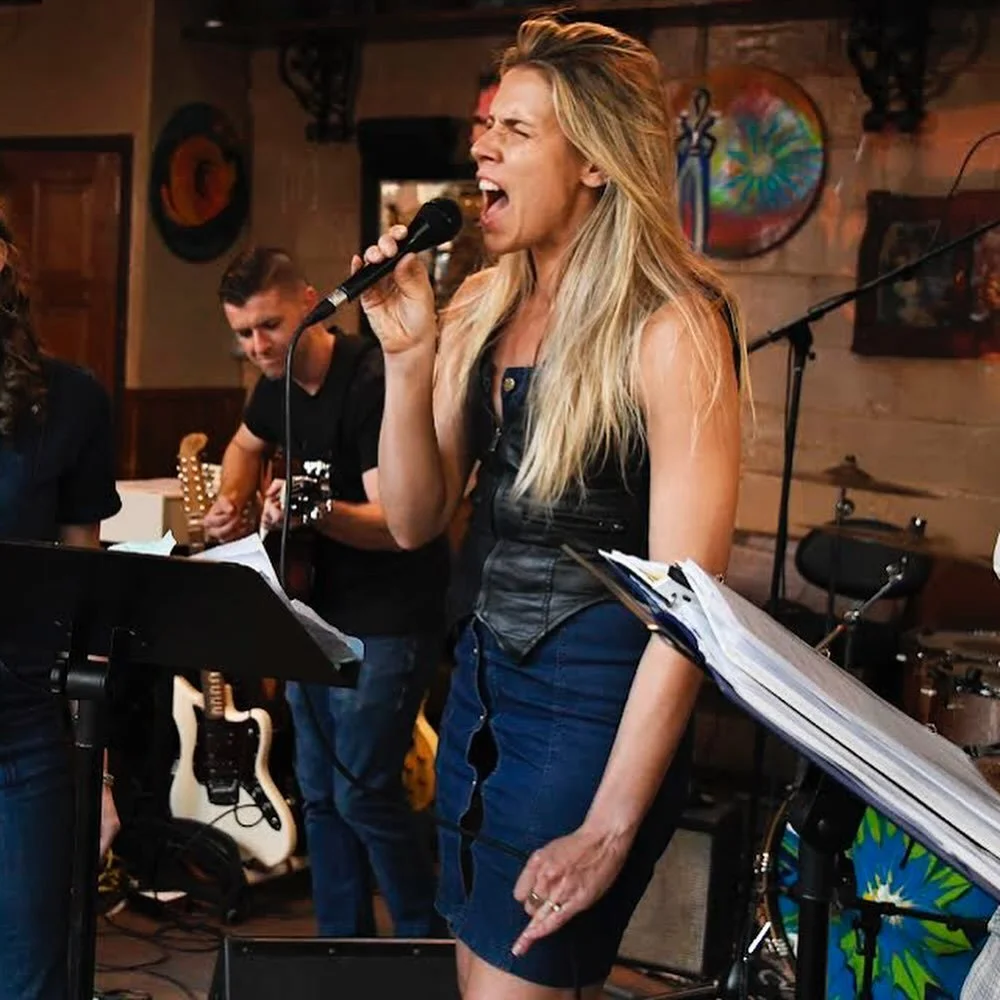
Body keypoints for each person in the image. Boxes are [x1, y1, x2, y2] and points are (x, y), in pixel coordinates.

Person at [354, 16, 746, 998]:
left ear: (595, 164)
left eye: (516, 130)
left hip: (591, 718)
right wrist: (407, 364)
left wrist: (611, 824)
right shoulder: (484, 304)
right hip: (478, 695)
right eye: (486, 124)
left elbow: (688, 610)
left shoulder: (671, 328)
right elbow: (411, 520)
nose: (481, 145)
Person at [202, 247, 450, 938]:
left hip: (392, 615)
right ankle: (341, 951)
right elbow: (244, 447)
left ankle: (423, 945)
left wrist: (318, 513)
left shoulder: (369, 380)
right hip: (313, 612)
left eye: (270, 327)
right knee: (318, 796)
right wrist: (233, 499)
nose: (257, 346)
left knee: (363, 791)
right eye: (244, 334)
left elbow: (400, 528)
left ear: (311, 301)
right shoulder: (273, 385)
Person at [0, 211, 122, 998]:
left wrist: (98, 771)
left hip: (21, 733)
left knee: (32, 975)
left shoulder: (72, 400)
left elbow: (88, 589)